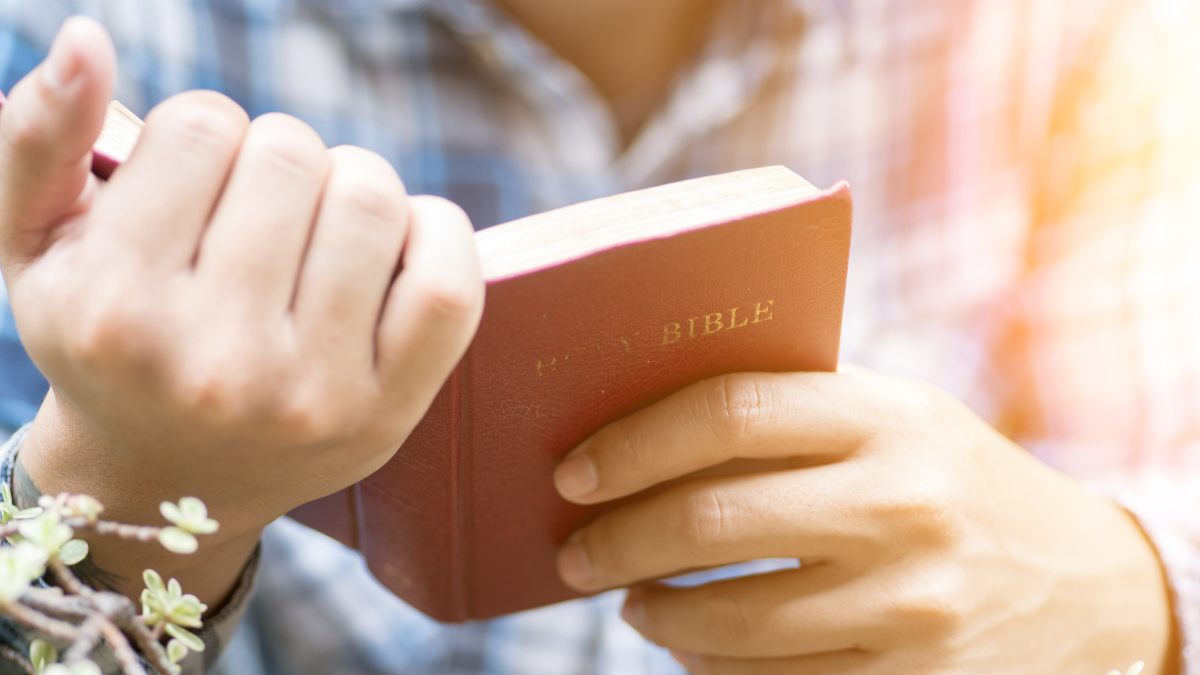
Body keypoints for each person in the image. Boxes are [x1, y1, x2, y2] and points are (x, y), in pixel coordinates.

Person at [0, 1, 1197, 674]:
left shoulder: (1061, 40)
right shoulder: (69, 61)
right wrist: (126, 491)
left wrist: (1133, 590)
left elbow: (1162, 462)